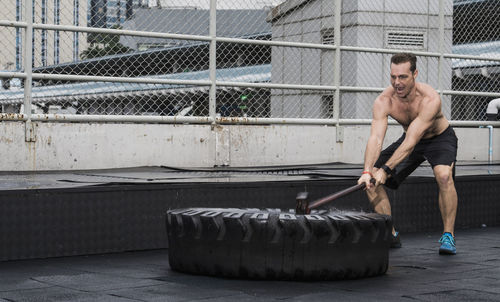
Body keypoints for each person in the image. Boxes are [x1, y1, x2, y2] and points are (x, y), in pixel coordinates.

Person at [357, 53, 458, 255]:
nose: (397, 83)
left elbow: (411, 142)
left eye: (403, 77)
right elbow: (376, 138)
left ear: (415, 74)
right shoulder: (384, 101)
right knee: (370, 181)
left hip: (439, 139)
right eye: (393, 77)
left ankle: (448, 235)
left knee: (444, 176)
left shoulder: (430, 99)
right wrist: (368, 171)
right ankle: (391, 233)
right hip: (409, 139)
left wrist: (386, 169)